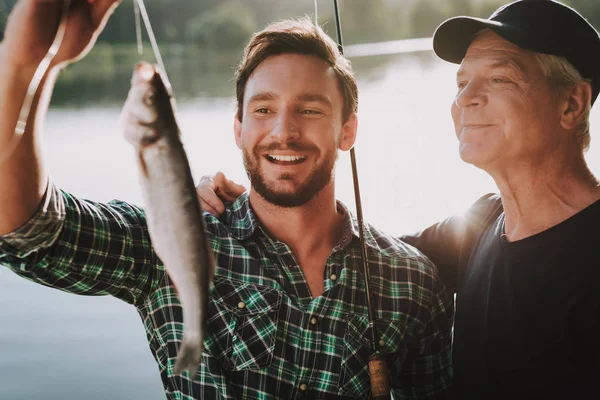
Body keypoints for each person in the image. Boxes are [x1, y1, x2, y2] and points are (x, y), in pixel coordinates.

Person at [0, 1, 454, 399]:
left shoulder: (411, 281)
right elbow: (26, 230)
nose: (283, 130)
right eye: (263, 109)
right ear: (238, 129)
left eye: (310, 109)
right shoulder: (168, 244)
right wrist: (28, 65)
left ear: (348, 130)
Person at [196, 1, 600, 399]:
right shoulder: (483, 222)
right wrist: (259, 200)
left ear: (571, 104)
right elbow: (362, 258)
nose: (465, 99)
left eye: (500, 79)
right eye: (462, 84)